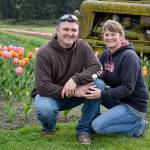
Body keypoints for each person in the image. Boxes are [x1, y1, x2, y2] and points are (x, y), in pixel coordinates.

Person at [32, 14, 104, 145]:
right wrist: (74, 91)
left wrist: (76, 79)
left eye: (73, 30)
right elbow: (42, 86)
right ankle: (48, 128)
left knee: (98, 85)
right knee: (45, 109)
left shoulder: (83, 46)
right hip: (50, 95)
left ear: (78, 32)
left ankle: (84, 130)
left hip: (75, 93)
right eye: (65, 29)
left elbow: (98, 69)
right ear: (57, 30)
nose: (70, 33)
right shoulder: (44, 52)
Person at [76, 20, 149, 137]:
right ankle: (89, 124)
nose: (109, 37)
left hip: (134, 106)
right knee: (93, 87)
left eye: (113, 34)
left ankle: (138, 126)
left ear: (121, 35)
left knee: (98, 126)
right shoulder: (106, 54)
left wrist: (102, 94)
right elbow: (98, 73)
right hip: (120, 99)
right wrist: (84, 80)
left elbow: (127, 89)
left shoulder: (129, 57)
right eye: (106, 34)